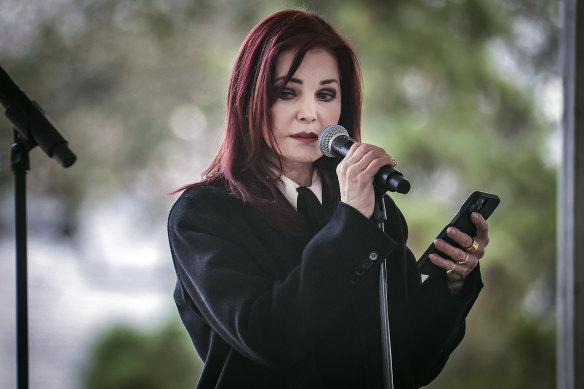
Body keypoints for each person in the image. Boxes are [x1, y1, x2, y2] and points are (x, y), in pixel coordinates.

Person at [168, 8, 489, 389]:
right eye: (287, 92)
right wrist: (352, 220)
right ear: (250, 98)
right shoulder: (204, 215)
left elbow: (406, 362)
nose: (311, 114)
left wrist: (449, 284)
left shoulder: (368, 205)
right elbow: (270, 338)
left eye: (326, 94)